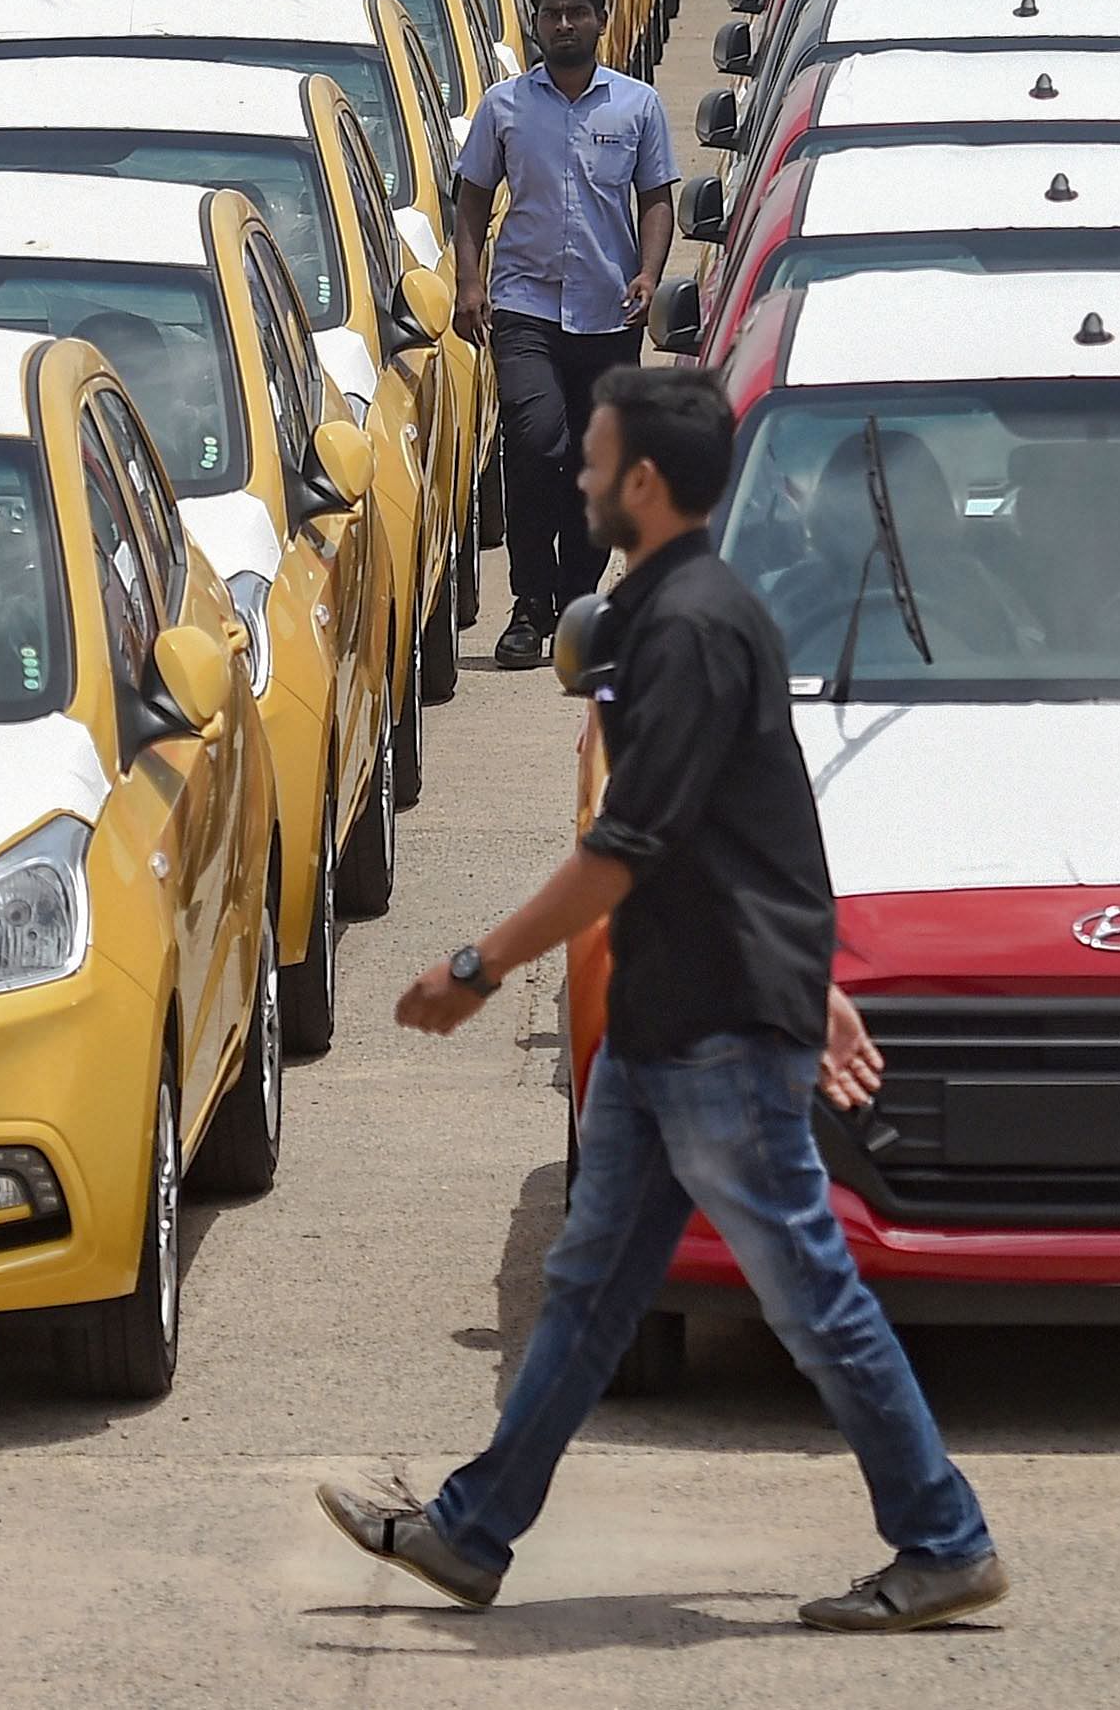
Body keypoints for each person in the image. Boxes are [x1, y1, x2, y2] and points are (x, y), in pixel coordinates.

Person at [318, 365, 1006, 1635]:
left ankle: (945, 1537)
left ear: (643, 481)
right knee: (588, 1291)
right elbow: (766, 830)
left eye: (592, 459)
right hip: (669, 1022)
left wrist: (477, 968)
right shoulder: (683, 614)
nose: (577, 477)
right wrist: (823, 984)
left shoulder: (694, 628)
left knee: (808, 1291)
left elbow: (623, 849)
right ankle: (473, 1534)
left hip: (717, 1039)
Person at [443, 0, 677, 670]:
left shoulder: (636, 106)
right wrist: (469, 282)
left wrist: (647, 273)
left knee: (595, 466)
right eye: (552, 14)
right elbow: (473, 197)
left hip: (609, 313)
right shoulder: (505, 106)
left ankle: (578, 604)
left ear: (601, 19)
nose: (565, 24)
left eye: (578, 11)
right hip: (525, 307)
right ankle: (528, 603)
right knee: (537, 443)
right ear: (536, 25)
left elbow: (657, 199)